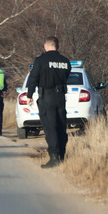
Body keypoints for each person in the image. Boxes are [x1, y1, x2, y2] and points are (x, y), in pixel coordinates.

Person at [25, 35, 71, 168]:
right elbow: (66, 76)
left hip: (47, 97)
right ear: (57, 46)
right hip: (61, 97)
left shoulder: (41, 60)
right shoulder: (65, 61)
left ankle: (54, 157)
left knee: (50, 127)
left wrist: (29, 95)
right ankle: (62, 154)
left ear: (46, 46)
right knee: (61, 126)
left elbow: (33, 78)